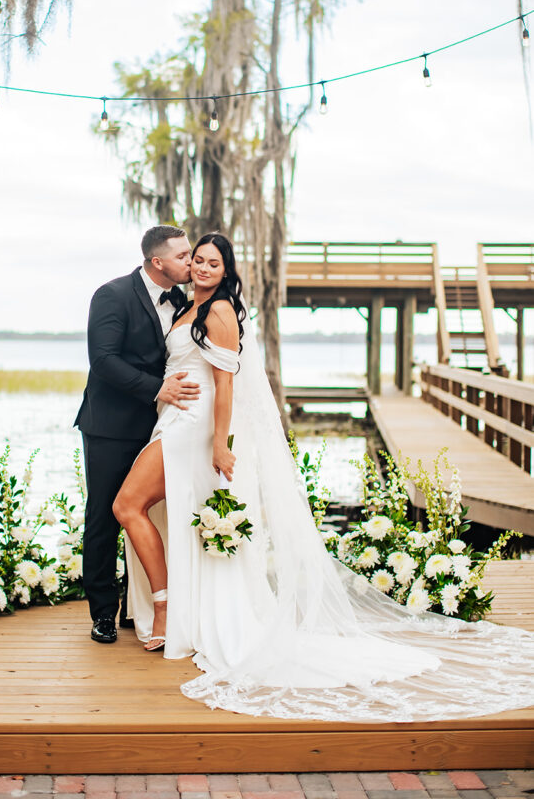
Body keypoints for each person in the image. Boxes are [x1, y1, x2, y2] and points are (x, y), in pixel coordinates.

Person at [114, 231, 534, 720]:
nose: (203, 267)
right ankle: (177, 607)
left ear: (226, 271)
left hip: (195, 426)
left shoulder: (221, 313)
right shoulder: (188, 307)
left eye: (212, 262)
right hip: (175, 419)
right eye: (198, 260)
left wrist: (219, 442)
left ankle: (166, 606)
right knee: (163, 513)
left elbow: (225, 388)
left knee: (127, 505)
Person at [74, 225, 200, 644]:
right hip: (110, 426)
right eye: (183, 256)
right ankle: (103, 613)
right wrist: (156, 389)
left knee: (150, 514)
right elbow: (104, 360)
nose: (191, 261)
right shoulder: (112, 295)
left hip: (163, 427)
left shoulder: (183, 299)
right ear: (157, 262)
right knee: (105, 516)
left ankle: (137, 605)